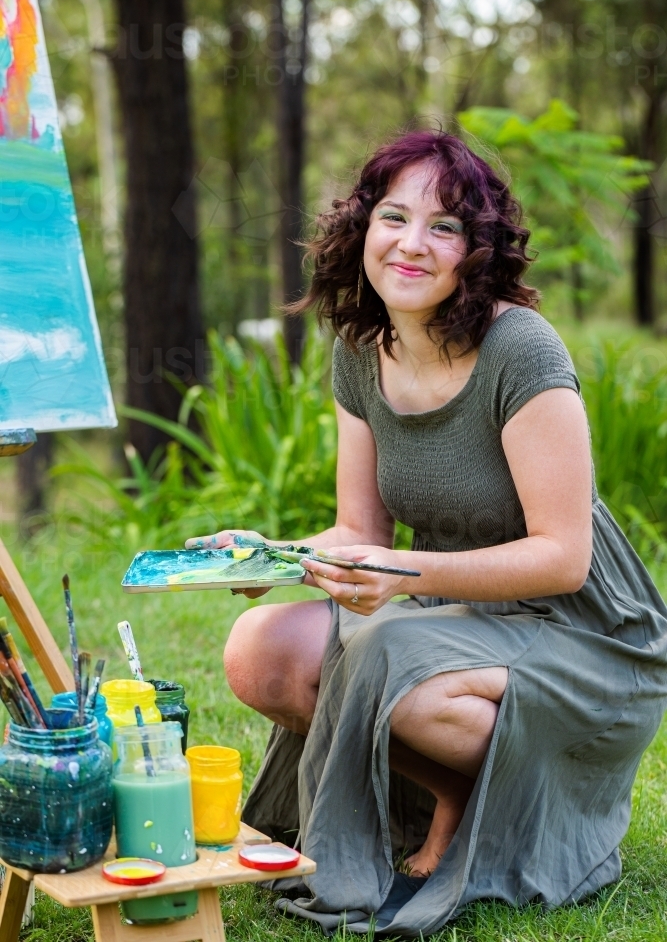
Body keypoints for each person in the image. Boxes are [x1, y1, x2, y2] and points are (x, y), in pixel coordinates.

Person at [186, 131, 667, 937]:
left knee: (381, 652)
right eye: (393, 217)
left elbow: (562, 556)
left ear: (474, 251)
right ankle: (454, 792)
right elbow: (358, 529)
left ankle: (516, 804)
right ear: (361, 228)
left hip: (582, 629)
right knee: (262, 650)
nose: (412, 243)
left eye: (443, 227)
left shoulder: (519, 349)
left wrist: (399, 572)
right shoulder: (360, 348)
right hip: (454, 606)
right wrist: (270, 558)